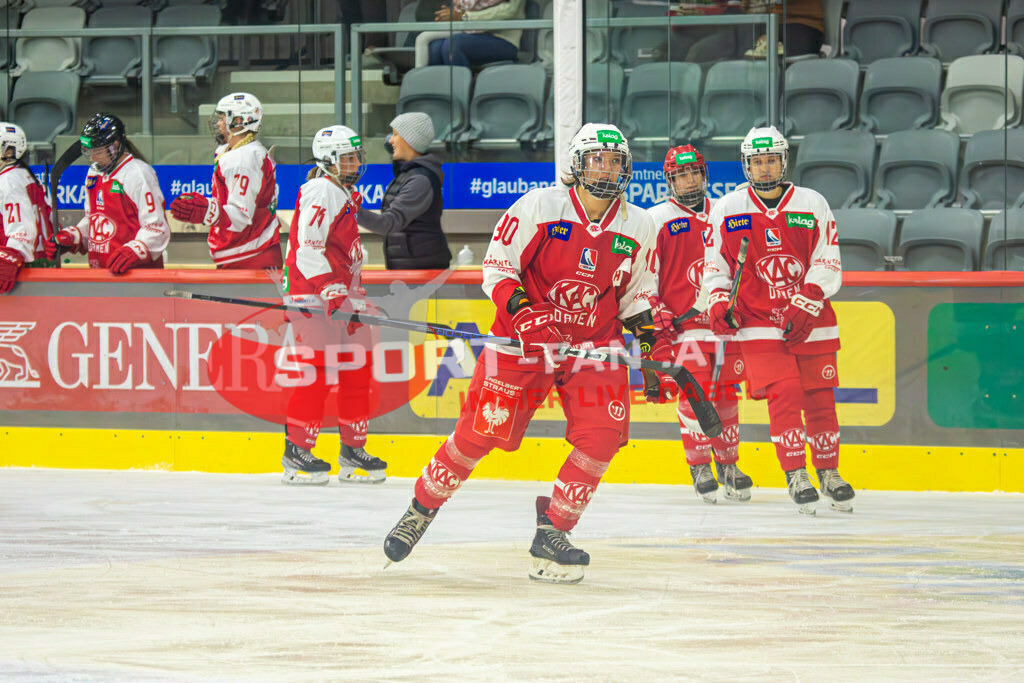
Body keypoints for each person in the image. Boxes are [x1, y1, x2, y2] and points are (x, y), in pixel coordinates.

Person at [381, 122, 660, 584]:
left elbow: (637, 294)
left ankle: (553, 530)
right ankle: (420, 509)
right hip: (522, 342)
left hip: (591, 345)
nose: (607, 169)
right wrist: (527, 316)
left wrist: (647, 341)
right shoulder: (539, 207)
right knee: (476, 437)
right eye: (597, 159)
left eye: (615, 161)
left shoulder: (639, 224)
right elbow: (498, 269)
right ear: (577, 164)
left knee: (603, 436)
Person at [703, 125, 854, 515]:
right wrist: (719, 300)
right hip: (757, 322)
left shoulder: (812, 202)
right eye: (757, 161)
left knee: (820, 399)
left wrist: (807, 300)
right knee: (785, 394)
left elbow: (827, 256)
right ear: (746, 165)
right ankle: (795, 473)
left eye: (771, 160)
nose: (765, 168)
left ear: (783, 161)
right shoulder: (728, 209)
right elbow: (714, 266)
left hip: (812, 318)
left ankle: (829, 472)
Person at [278, 125, 388, 486]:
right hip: (313, 297)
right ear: (328, 160)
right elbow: (308, 249)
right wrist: (332, 292)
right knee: (320, 373)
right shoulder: (319, 190)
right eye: (348, 158)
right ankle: (297, 450)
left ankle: (352, 449)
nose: (356, 163)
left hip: (341, 296)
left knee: (357, 372)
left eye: (357, 156)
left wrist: (350, 296)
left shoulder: (341, 192)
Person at [646, 144, 753, 504]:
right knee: (695, 393)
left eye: (693, 173)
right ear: (669, 180)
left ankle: (728, 464)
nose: (688, 180)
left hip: (723, 320)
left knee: (725, 395)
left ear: (704, 175)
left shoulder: (724, 212)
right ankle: (699, 464)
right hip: (684, 326)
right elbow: (646, 274)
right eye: (680, 175)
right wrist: (656, 308)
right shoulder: (655, 219)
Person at [169, 92, 283, 269]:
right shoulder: (235, 152)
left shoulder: (243, 159)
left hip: (250, 255)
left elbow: (242, 216)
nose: (219, 123)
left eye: (223, 118)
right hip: (243, 252)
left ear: (238, 122)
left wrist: (208, 211)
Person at [46, 114, 169, 274]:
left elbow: (156, 227)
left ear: (115, 146)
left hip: (137, 277)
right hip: (102, 274)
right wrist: (73, 237)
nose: (92, 157)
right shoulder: (93, 173)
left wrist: (134, 250)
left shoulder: (138, 173)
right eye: (89, 151)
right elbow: (95, 220)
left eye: (97, 151)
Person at [357, 112, 452, 270]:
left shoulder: (419, 180)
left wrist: (349, 207)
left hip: (422, 270)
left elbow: (388, 223)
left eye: (395, 134)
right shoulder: (408, 172)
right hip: (411, 265)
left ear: (410, 140)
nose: (390, 140)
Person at [0, 123, 53, 294]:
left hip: (22, 268)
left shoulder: (9, 181)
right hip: (36, 262)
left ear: (9, 151)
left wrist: (9, 258)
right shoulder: (23, 174)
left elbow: (21, 230)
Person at [428, 0, 525, 68]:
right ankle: (437, 94)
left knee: (452, 45)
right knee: (434, 47)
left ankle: (461, 92)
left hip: (503, 39)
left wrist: (465, 16)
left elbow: (509, 10)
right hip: (470, 35)